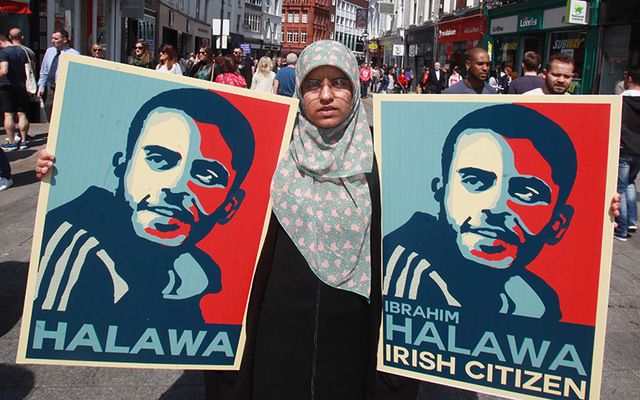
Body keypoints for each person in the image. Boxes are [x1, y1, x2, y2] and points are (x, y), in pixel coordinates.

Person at [204, 39, 418, 400]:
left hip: (351, 339)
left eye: (338, 82)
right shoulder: (272, 154)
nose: (326, 95)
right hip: (277, 335)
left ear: (355, 87)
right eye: (313, 85)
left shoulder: (380, 164)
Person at [33, 88, 255, 324]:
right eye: (158, 159)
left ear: (230, 206)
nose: (176, 186)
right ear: (121, 166)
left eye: (207, 176)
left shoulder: (199, 278)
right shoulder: (78, 250)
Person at [385, 104, 578, 321]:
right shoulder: (407, 277)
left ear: (558, 224)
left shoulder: (537, 303)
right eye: (474, 181)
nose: (495, 207)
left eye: (527, 193)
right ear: (441, 191)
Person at [615, 67, 640, 241]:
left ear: (629, 79)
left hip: (623, 150)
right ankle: (632, 220)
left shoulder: (619, 102)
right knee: (631, 183)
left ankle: (622, 229)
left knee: (620, 188)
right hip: (639, 151)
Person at [37, 29, 80, 121]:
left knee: (62, 112)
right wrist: (41, 86)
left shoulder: (74, 54)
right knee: (49, 108)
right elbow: (44, 70)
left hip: (65, 87)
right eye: (52, 38)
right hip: (51, 86)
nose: (53, 41)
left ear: (64, 40)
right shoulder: (50, 51)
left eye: (56, 39)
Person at [0, 34, 30, 151]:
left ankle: (12, 142)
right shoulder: (23, 51)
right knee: (22, 114)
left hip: (7, 87)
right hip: (21, 86)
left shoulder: (4, 53)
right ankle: (23, 141)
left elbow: (4, 70)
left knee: (8, 114)